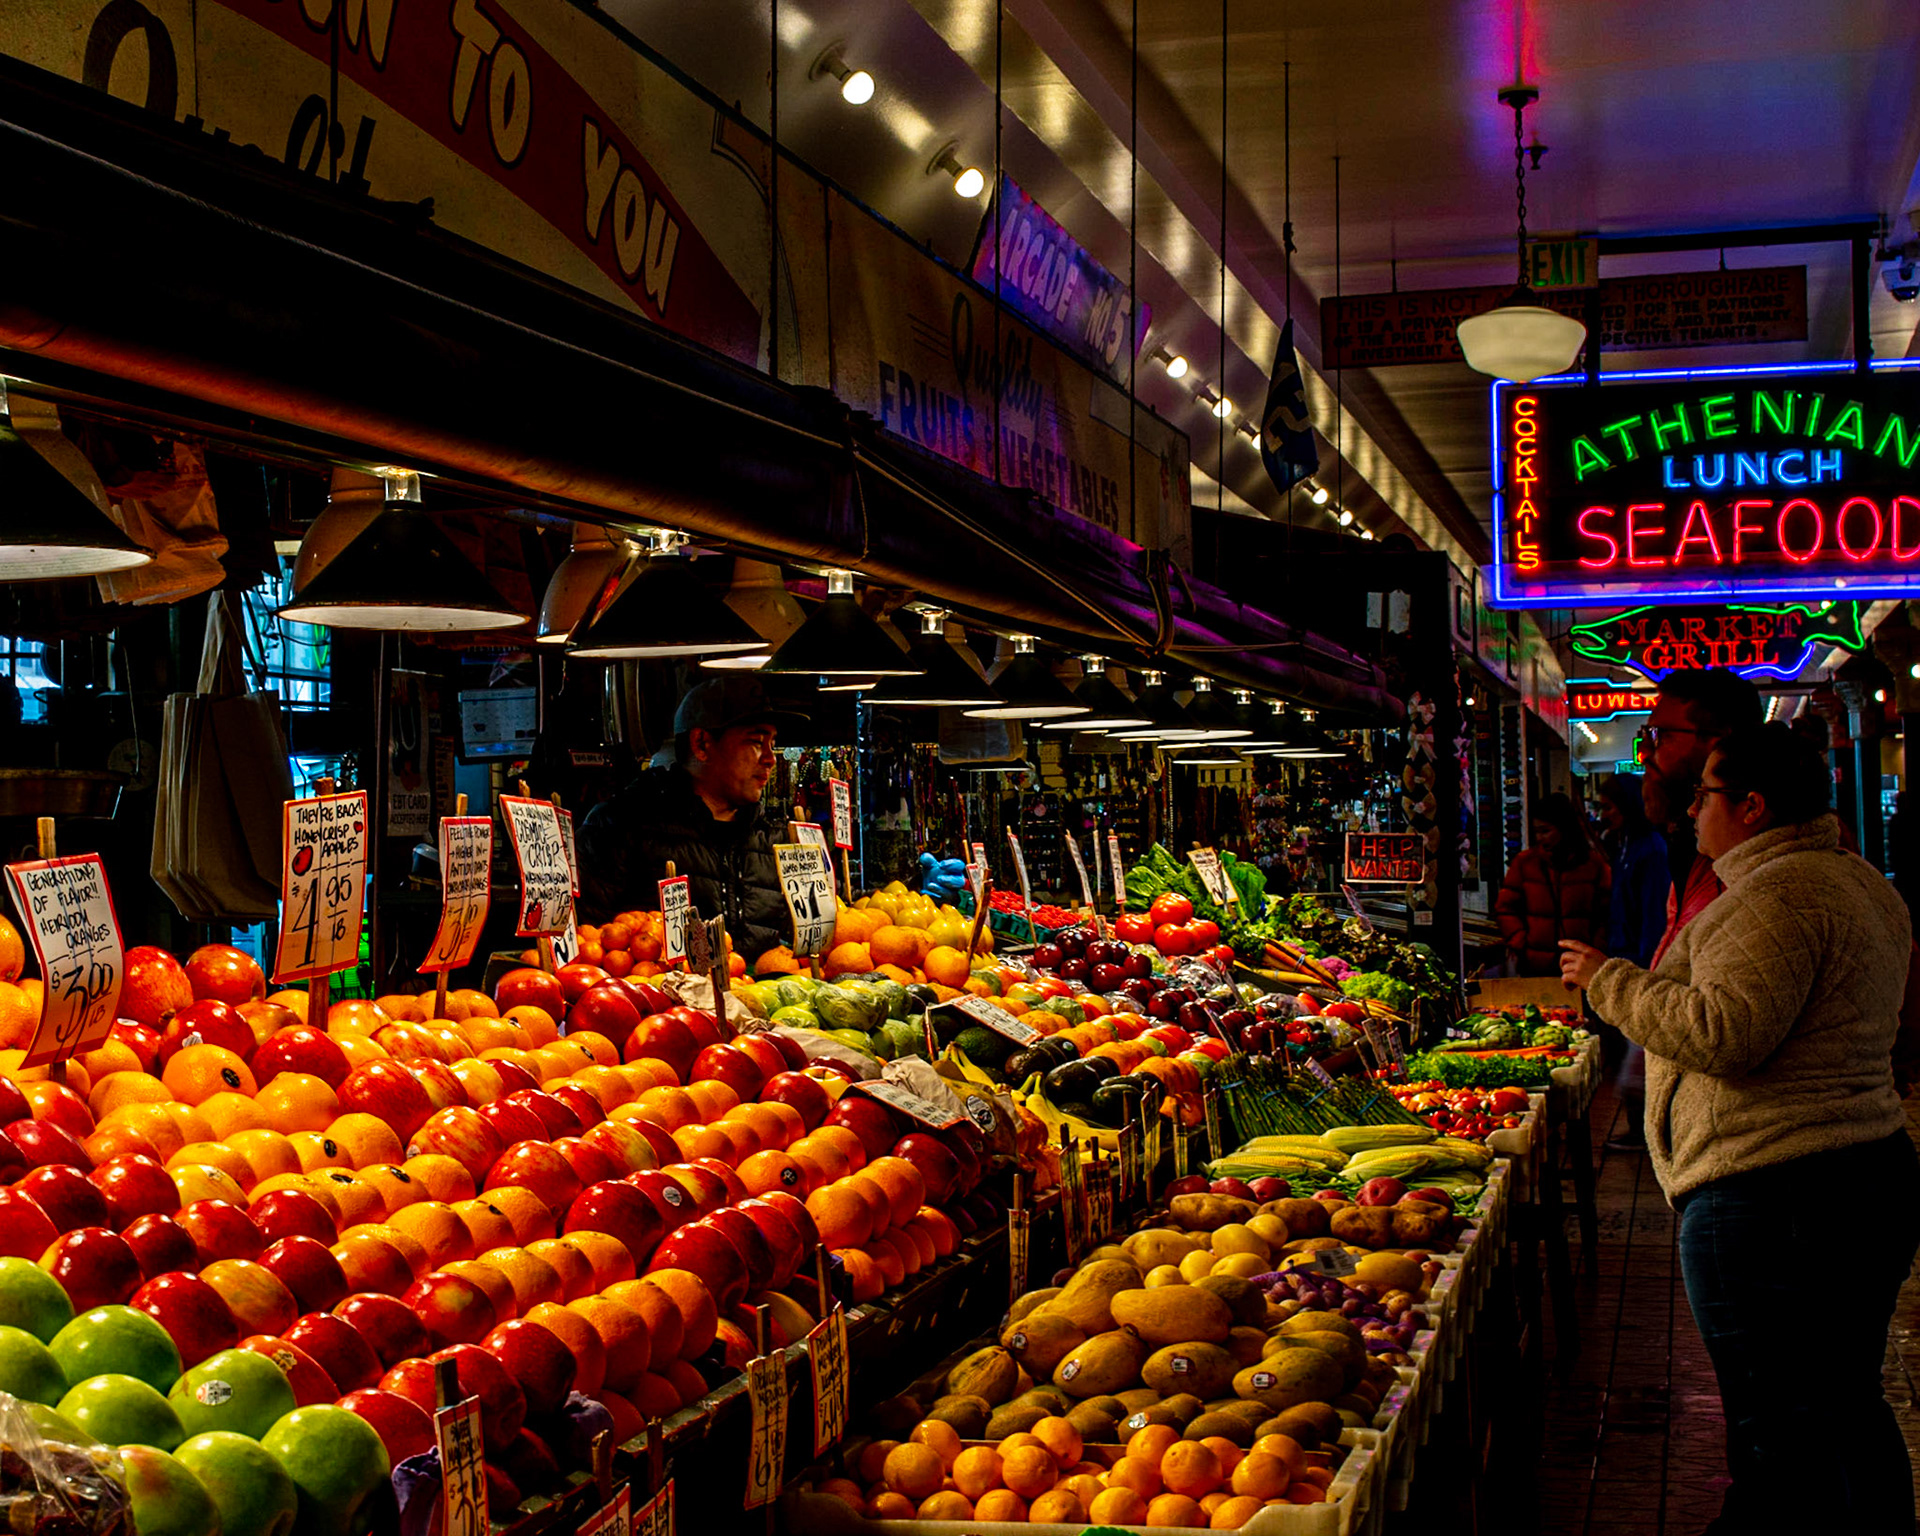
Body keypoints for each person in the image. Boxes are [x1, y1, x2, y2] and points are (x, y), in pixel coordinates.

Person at [1558, 724, 1919, 1534]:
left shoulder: (1778, 899)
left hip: (1778, 1195)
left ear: (1751, 807)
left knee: (1779, 1434)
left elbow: (1726, 1034)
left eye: (1704, 795)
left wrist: (1608, 982)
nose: (1690, 812)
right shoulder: (1860, 883)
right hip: (1856, 1173)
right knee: (1847, 1409)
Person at [578, 676, 805, 965]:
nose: (770, 759)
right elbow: (585, 948)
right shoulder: (618, 828)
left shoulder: (778, 840)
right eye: (756, 742)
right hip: (657, 1006)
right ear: (702, 744)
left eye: (773, 743)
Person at [1493, 791, 1610, 973]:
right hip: (1535, 966)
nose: (1540, 838)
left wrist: (1596, 946)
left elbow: (1606, 913)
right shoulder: (1525, 864)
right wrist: (1521, 941)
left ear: (1564, 829)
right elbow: (1505, 908)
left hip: (1581, 966)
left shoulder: (1593, 866)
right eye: (1537, 832)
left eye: (1546, 831)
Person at [1596, 774, 1669, 968]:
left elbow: (1653, 913)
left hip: (1639, 959)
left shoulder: (1651, 849)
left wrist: (1647, 964)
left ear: (1626, 805)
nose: (1603, 816)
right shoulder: (1623, 846)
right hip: (1623, 954)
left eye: (1608, 807)